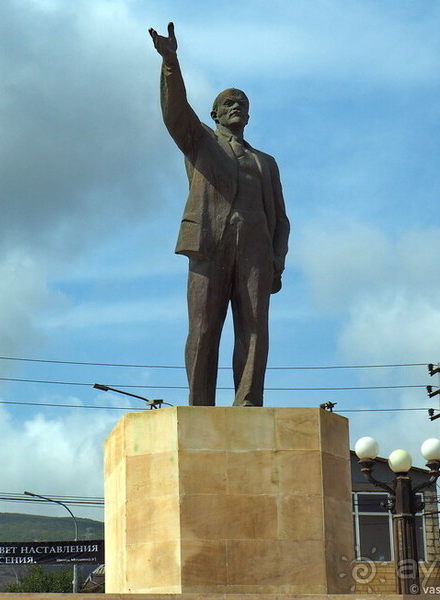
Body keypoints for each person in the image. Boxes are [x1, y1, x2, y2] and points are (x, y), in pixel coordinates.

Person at [149, 22, 289, 406]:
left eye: (242, 103)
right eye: (229, 102)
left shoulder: (266, 162)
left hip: (256, 252)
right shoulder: (200, 142)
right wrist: (170, 62)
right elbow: (175, 112)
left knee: (255, 329)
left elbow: (281, 218)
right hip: (209, 243)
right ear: (213, 114)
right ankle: (200, 406)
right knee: (204, 328)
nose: (237, 107)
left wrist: (277, 258)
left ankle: (247, 403)